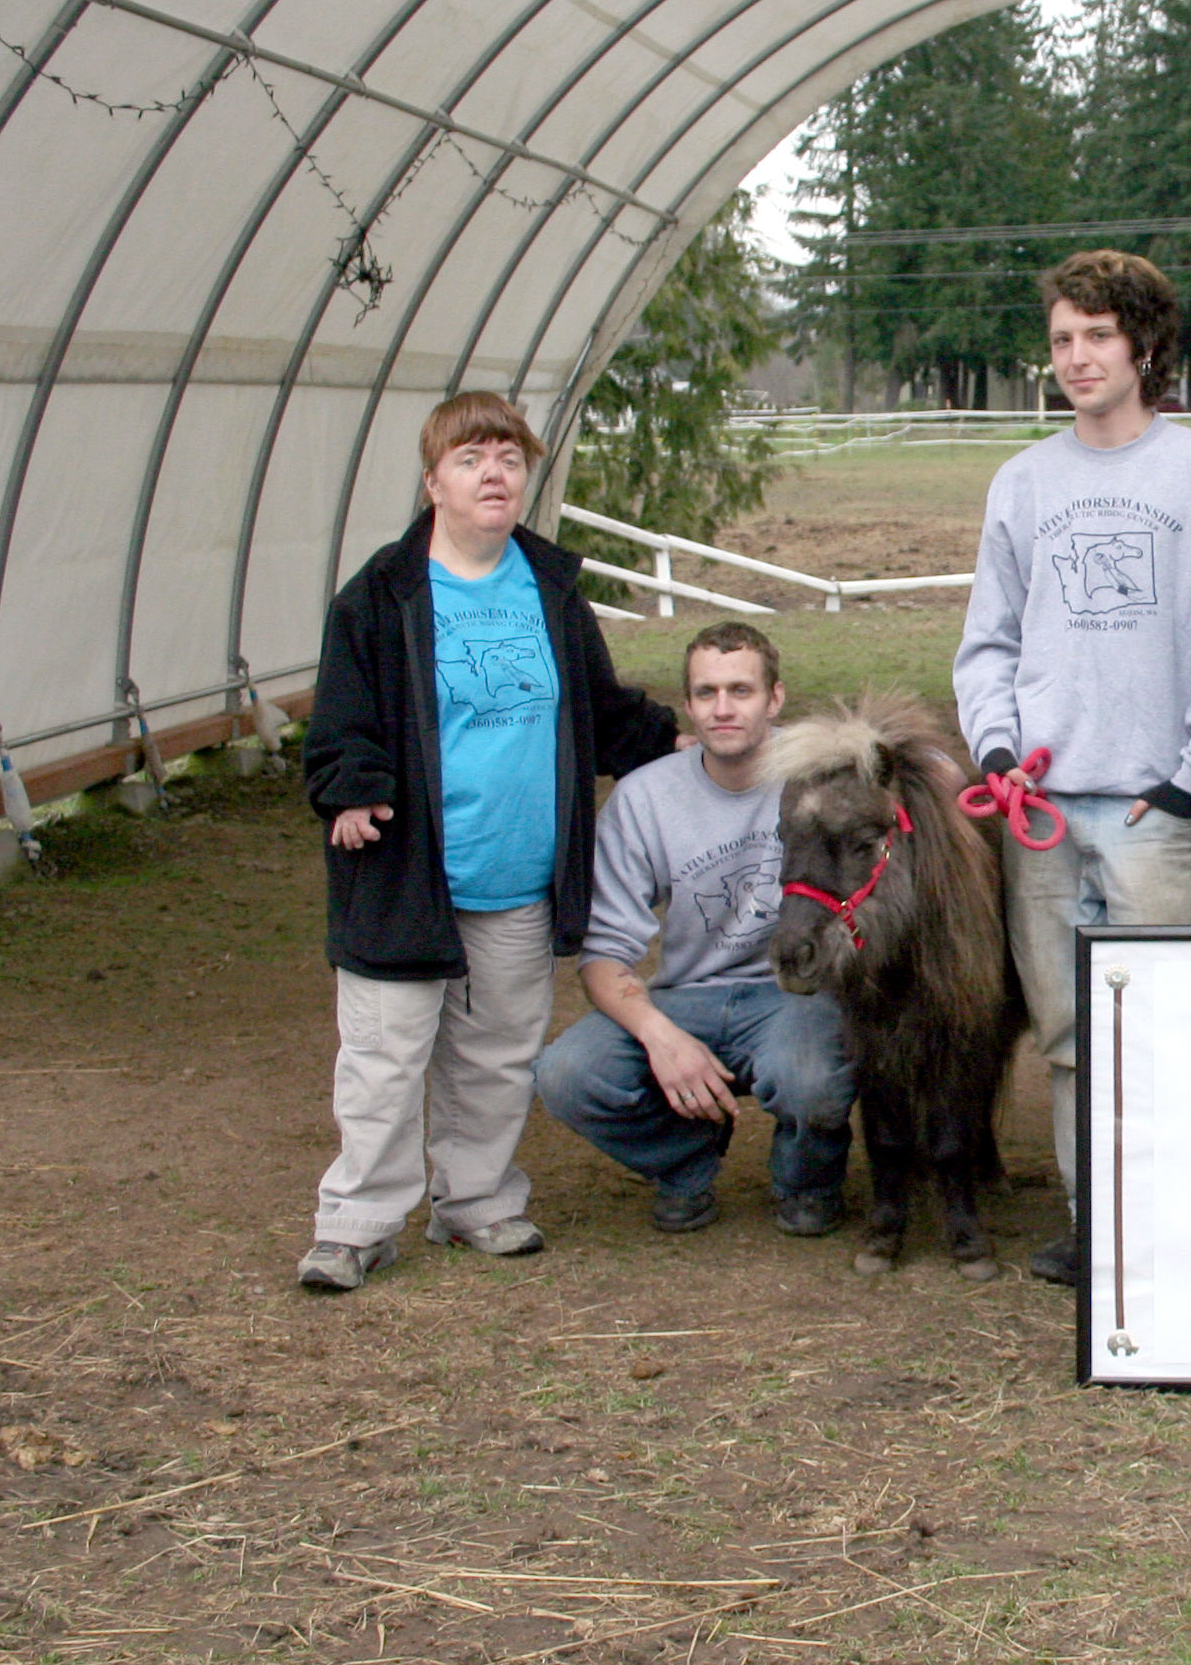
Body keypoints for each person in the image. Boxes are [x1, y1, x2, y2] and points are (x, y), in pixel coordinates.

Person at [297, 391, 678, 1293]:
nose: (494, 472)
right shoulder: (381, 597)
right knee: (387, 1057)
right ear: (434, 482)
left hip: (520, 876)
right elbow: (342, 722)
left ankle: (475, 1202)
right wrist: (351, 793)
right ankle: (356, 1222)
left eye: (508, 456)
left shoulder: (549, 590)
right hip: (408, 874)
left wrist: (672, 741)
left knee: (499, 1051)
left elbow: (598, 707)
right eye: (471, 459)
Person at [955, 249, 1191, 1284]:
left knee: (1159, 1015)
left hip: (1148, 809)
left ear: (1144, 345)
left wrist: (1190, 775)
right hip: (1041, 806)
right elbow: (987, 641)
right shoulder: (1023, 482)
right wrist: (996, 746)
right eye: (1063, 339)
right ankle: (1093, 1216)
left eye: (1099, 337)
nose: (1078, 358)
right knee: (1069, 1027)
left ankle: (1168, 1210)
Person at [530, 622, 854, 1236]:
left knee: (810, 1076)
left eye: (742, 690)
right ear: (688, 705)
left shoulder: (819, 771)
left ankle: (807, 1183)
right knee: (566, 1074)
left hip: (794, 992)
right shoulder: (642, 797)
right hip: (686, 996)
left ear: (776, 699)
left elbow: (912, 763)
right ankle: (685, 1160)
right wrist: (661, 1036)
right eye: (707, 694)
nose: (723, 709)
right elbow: (602, 956)